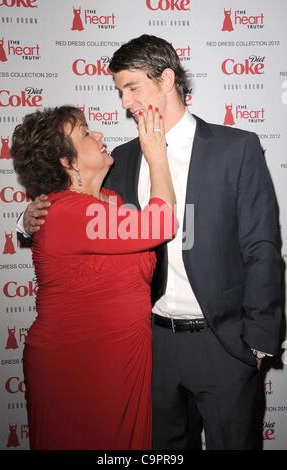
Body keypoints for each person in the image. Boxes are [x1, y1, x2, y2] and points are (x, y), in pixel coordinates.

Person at [18, 35, 283, 450]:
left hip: (225, 343)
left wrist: (261, 338)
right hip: (151, 345)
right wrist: (27, 219)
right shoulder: (118, 158)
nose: (124, 103)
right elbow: (72, 201)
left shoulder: (237, 148)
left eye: (131, 87)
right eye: (119, 91)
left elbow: (261, 247)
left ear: (165, 79)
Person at [11, 104, 177, 450]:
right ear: (67, 162)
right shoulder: (67, 212)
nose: (99, 135)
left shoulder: (111, 201)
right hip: (82, 364)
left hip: (123, 357)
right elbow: (161, 224)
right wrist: (156, 156)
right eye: (85, 133)